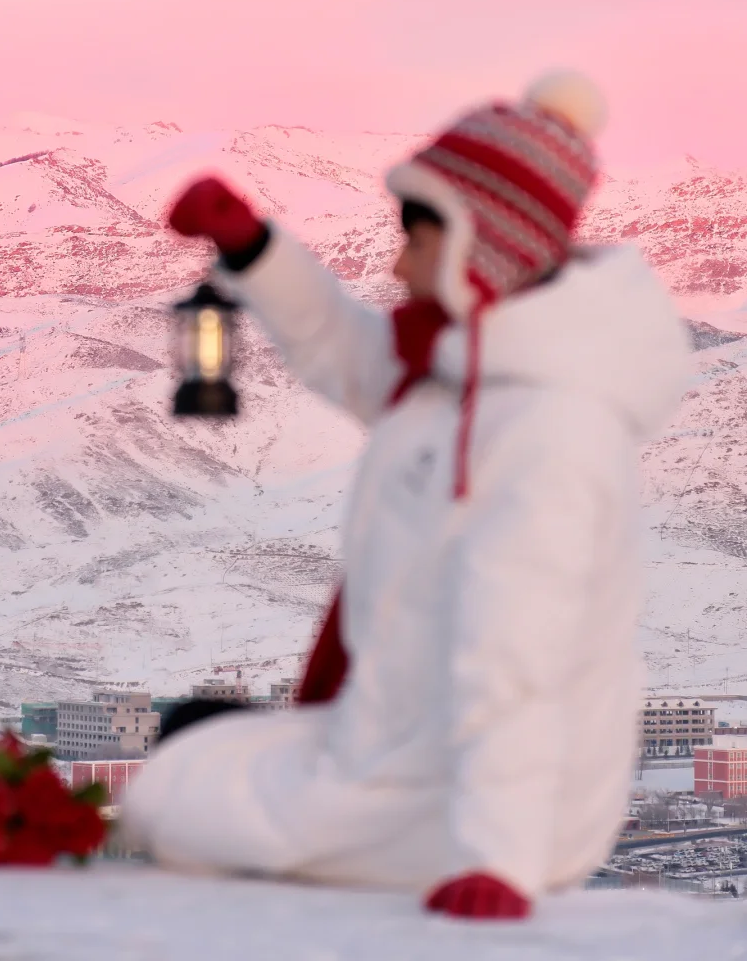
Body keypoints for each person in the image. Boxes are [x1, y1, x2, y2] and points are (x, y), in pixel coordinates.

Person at [120, 73, 690, 920]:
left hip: (490, 806)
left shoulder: (546, 429)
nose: (395, 262)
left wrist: (498, 855)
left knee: (173, 795)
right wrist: (252, 252)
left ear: (474, 247)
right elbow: (346, 349)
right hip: (407, 748)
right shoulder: (459, 375)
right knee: (195, 753)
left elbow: (520, 651)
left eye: (413, 240)